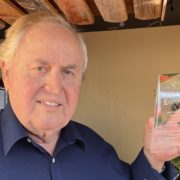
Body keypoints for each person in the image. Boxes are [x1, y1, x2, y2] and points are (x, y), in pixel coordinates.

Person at [0, 12, 179, 180]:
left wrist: (153, 159)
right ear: (6, 73)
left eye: (68, 72)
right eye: (40, 68)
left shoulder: (95, 147)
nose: (55, 88)